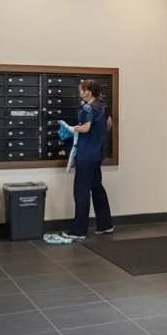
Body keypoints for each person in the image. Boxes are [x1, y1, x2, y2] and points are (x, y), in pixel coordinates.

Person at [62, 80, 115, 241]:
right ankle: (105, 225)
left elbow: (86, 128)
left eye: (81, 90)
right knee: (97, 188)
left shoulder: (88, 108)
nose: (80, 93)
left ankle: (79, 230)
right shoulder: (102, 107)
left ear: (88, 92)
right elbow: (108, 125)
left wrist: (70, 128)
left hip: (85, 155)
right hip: (97, 154)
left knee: (81, 191)